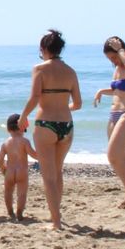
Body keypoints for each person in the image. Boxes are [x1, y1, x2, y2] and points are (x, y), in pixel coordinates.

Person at [21, 29, 81, 231]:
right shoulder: (70, 71)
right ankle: (56, 214)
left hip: (45, 123)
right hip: (66, 124)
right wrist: (62, 106)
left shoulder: (39, 69)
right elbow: (78, 103)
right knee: (57, 171)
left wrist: (23, 116)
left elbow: (35, 98)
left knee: (48, 175)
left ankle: (56, 221)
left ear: (44, 48)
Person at [94, 35, 125, 209]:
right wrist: (102, 91)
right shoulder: (117, 69)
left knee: (113, 155)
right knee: (120, 159)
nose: (114, 61)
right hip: (114, 115)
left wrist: (121, 50)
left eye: (114, 57)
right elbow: (119, 89)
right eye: (110, 59)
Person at [0, 114, 38, 221]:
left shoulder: (5, 143)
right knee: (22, 194)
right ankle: (19, 212)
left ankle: (10, 211)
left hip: (9, 171)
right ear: (23, 127)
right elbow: (33, 154)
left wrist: (3, 168)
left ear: (8, 128)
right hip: (22, 172)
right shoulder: (25, 141)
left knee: (8, 192)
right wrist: (43, 154)